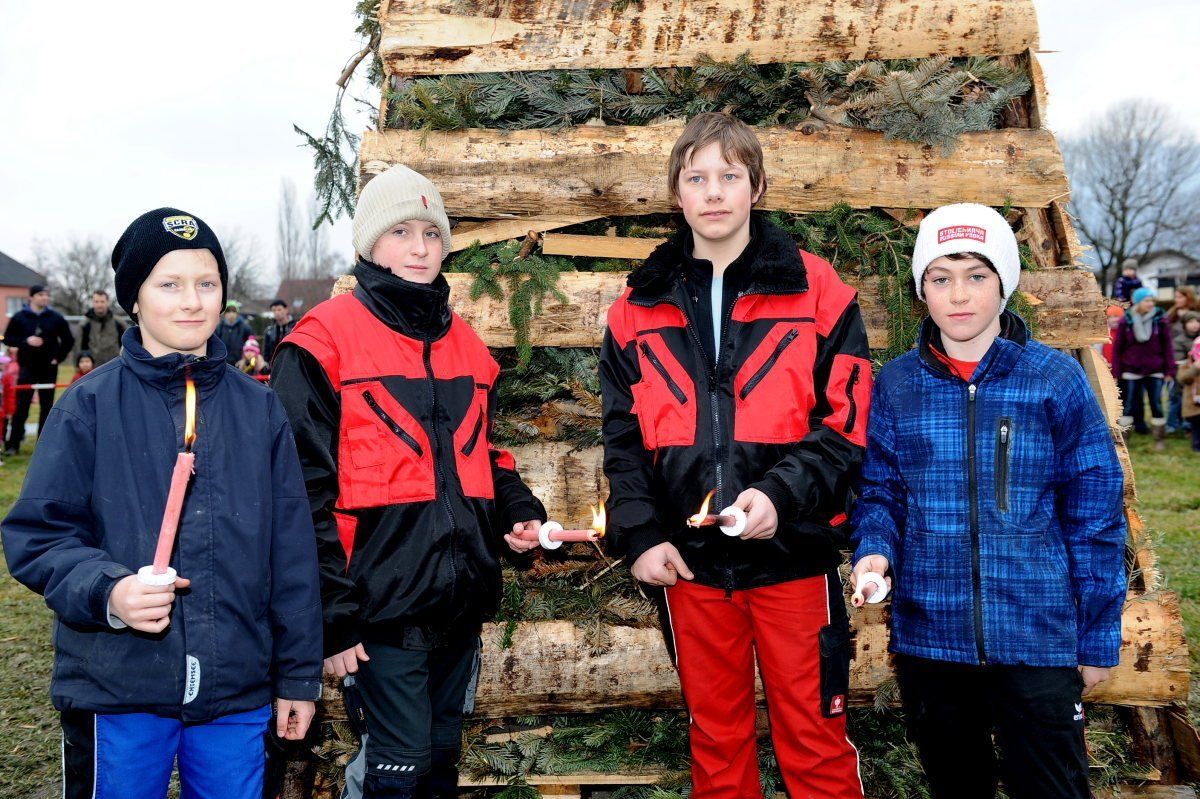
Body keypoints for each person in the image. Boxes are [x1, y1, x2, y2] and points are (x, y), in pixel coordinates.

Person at [1, 208, 323, 799]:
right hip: (118, 687)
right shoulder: (88, 406)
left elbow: (293, 553)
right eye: (169, 284)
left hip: (237, 689)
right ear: (135, 297)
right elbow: (39, 536)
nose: (192, 301)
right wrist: (110, 592)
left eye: (206, 283)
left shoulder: (260, 410)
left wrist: (299, 675)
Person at [600, 112, 870, 799]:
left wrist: (780, 494)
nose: (714, 192)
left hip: (793, 559)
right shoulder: (636, 306)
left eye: (730, 175)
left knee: (814, 744)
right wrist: (641, 535)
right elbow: (623, 441)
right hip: (691, 569)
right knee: (717, 748)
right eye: (697, 177)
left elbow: (846, 426)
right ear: (677, 193)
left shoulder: (818, 290)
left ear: (757, 186)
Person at [271, 165, 547, 799]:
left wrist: (516, 508)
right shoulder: (321, 343)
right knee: (397, 772)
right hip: (377, 614)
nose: (420, 248)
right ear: (370, 243)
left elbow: (480, 456)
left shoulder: (465, 344)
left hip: (458, 607)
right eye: (400, 232)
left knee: (440, 762)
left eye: (432, 233)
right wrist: (332, 615)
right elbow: (297, 494)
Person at [850, 203, 1126, 799]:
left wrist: (1098, 636)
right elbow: (881, 491)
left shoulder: (1053, 379)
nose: (958, 295)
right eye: (940, 277)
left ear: (1004, 283)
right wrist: (874, 551)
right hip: (931, 640)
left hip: (1037, 637)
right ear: (921, 289)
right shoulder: (897, 385)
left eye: (976, 275)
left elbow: (1096, 515)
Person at [2, 284, 75, 454]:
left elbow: (68, 340)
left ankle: (43, 446)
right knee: (21, 407)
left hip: (48, 369)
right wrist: (25, 341)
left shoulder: (55, 317)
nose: (45, 297)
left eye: (46, 295)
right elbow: (8, 339)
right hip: (27, 368)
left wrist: (58, 358)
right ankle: (13, 445)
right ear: (31, 297)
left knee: (47, 407)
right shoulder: (20, 317)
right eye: (41, 294)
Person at [1113, 287, 1175, 449]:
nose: (1151, 303)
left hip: (1155, 369)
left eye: (1152, 300)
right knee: (1128, 405)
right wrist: (1116, 372)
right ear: (1138, 302)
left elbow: (1168, 346)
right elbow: (1118, 348)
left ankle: (1160, 439)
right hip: (1130, 369)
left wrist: (1169, 370)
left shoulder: (1160, 320)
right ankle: (1124, 439)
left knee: (1156, 404)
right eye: (1147, 300)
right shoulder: (1126, 321)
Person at [1166, 290, 1198, 433]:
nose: (1177, 300)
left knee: (1192, 397)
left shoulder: (1195, 312)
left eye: (1180, 297)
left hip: (1195, 371)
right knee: (1175, 396)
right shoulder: (1171, 315)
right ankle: (1172, 424)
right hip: (1179, 365)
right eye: (1176, 297)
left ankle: (1188, 424)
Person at [78, 288, 126, 366]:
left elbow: (126, 346)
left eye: (102, 301)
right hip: (93, 369)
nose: (99, 305)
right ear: (92, 302)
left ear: (107, 302)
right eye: (96, 301)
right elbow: (79, 349)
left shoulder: (119, 323)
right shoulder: (84, 324)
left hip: (116, 366)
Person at [1176, 336, 1200, 453]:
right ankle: (1196, 446)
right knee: (1197, 426)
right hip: (1194, 404)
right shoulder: (1187, 364)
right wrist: (1195, 368)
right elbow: (1183, 378)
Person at [261, 298, 295, 372]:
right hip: (274, 368)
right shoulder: (269, 331)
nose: (276, 312)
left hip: (291, 367)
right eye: (274, 310)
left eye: (279, 309)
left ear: (286, 310)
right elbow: (266, 353)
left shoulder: (295, 328)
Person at [215, 299, 253, 365]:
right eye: (228, 311)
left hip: (240, 365)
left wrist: (244, 359)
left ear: (237, 313)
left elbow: (251, 346)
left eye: (233, 311)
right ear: (225, 313)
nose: (231, 314)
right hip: (223, 364)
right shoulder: (219, 328)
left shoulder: (245, 328)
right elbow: (215, 347)